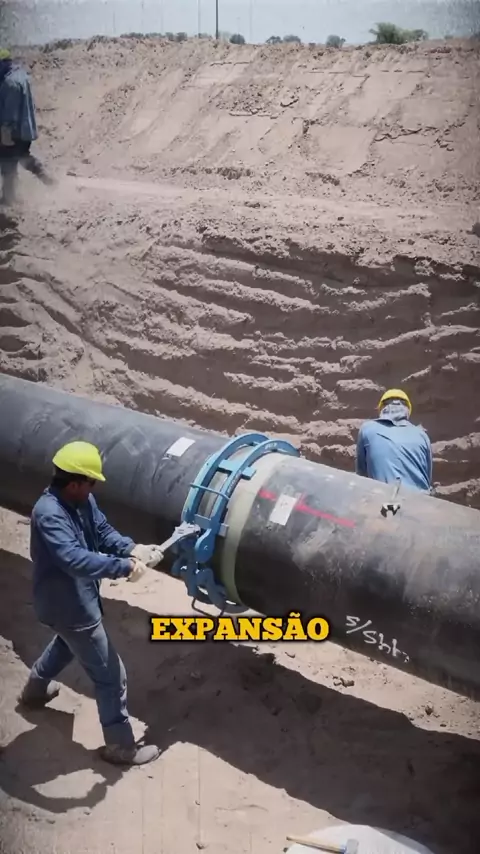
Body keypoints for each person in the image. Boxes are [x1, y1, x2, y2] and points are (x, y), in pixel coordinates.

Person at [19, 440, 165, 766]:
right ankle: (121, 747)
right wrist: (123, 567)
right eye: (91, 482)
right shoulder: (49, 515)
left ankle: (34, 692)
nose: (94, 487)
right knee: (111, 677)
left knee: (66, 645)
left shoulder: (82, 500)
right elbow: (74, 560)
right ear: (74, 483)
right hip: (69, 607)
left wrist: (132, 549)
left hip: (75, 602)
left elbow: (102, 530)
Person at [0, 48, 53, 205]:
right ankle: (46, 178)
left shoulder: (9, 83)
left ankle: (9, 199)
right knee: (23, 156)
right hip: (26, 129)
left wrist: (5, 132)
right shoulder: (21, 75)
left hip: (13, 132)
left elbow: (10, 113)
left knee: (8, 162)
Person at [356, 388, 433, 493]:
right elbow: (427, 478)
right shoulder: (422, 436)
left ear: (382, 409)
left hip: (383, 499)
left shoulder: (367, 429)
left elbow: (361, 476)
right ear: (407, 411)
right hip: (420, 500)